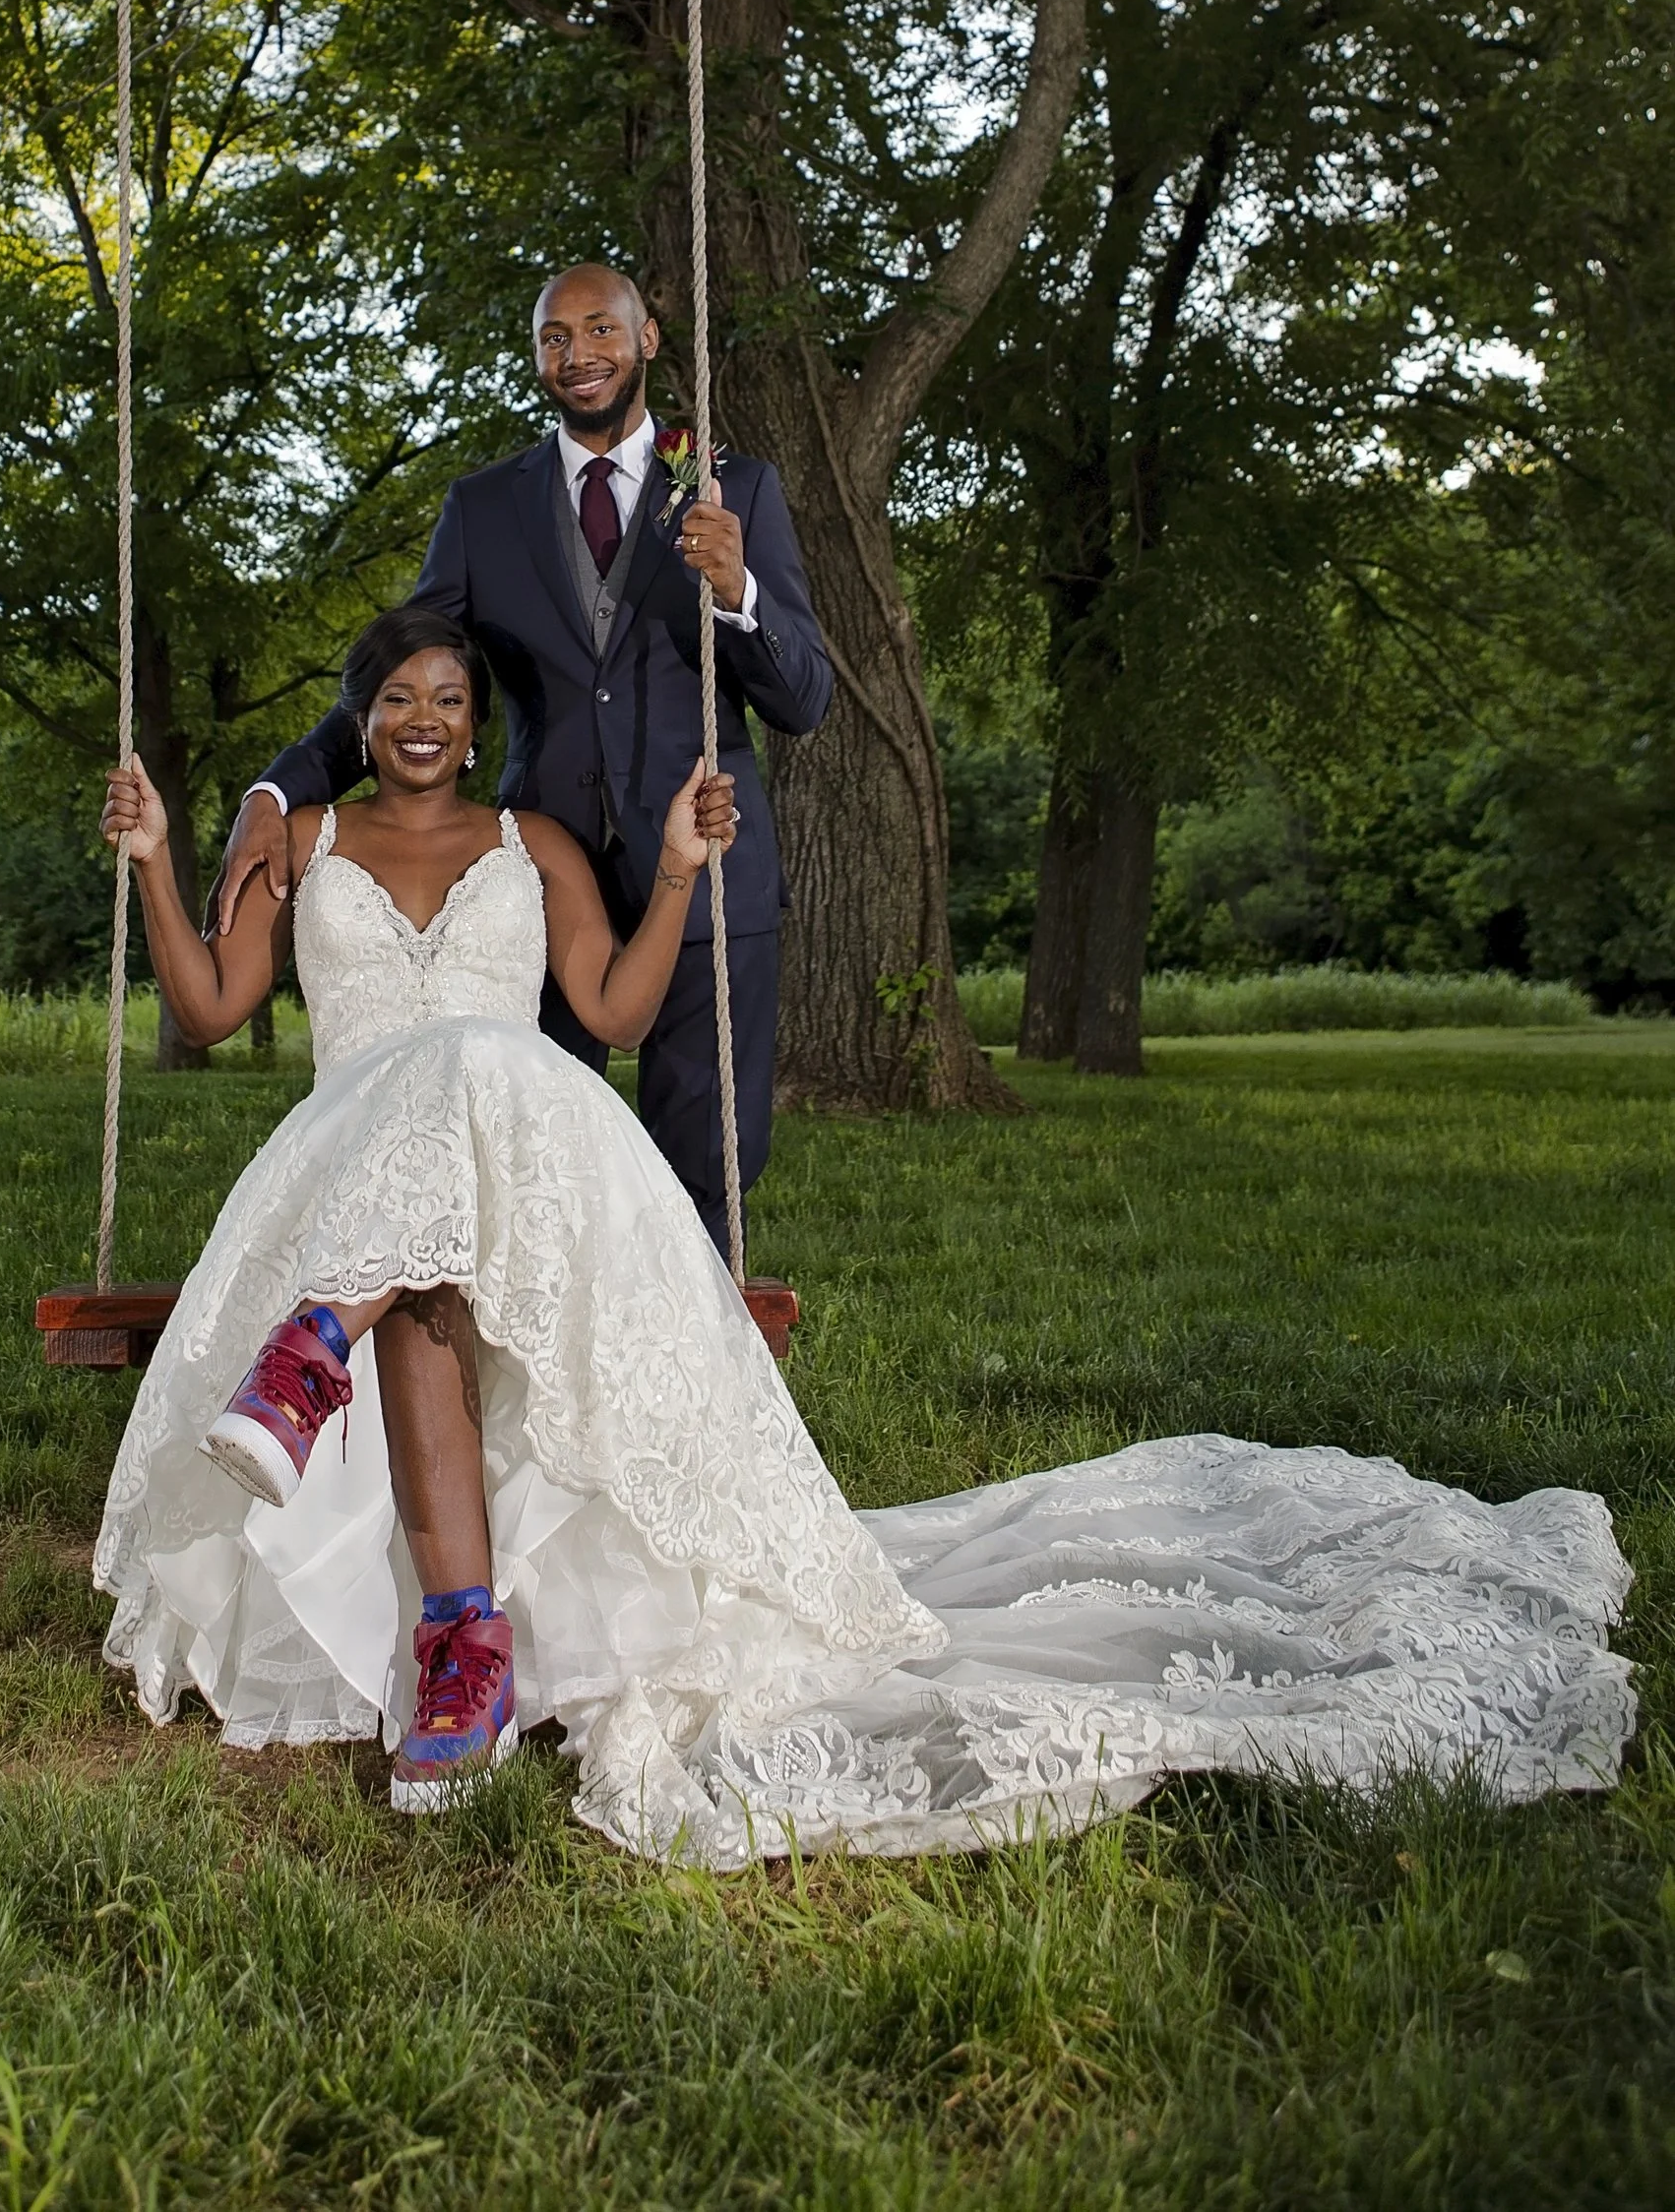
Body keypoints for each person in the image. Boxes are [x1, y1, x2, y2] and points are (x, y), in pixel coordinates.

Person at [93, 604, 1634, 1863]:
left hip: (538, 1167)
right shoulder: (302, 845)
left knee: (481, 1063)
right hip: (364, 1167)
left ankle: (318, 1366)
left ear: (474, 720)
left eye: (446, 697)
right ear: (359, 716)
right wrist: (160, 855)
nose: (421, 719)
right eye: (393, 699)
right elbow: (211, 1006)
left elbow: (616, 1013)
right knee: (424, 1270)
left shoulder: (534, 844)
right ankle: (458, 1631)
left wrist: (685, 872)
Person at [215, 262, 831, 1250]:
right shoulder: (484, 509)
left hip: (709, 876)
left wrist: (737, 590)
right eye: (554, 337)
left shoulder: (730, 487)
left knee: (704, 1172)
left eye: (598, 330)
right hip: (537, 889)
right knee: (531, 1168)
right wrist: (276, 788)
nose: (577, 355)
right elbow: (396, 689)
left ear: (646, 339)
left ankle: (689, 1390)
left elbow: (802, 698)